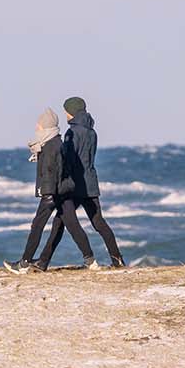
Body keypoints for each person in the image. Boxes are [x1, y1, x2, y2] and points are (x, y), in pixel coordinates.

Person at [3, 108, 98, 273]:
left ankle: (24, 264)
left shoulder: (50, 146)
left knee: (37, 226)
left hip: (52, 193)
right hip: (63, 191)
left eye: (39, 124)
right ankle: (91, 261)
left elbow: (50, 172)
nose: (36, 126)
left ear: (45, 126)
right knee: (73, 226)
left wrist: (46, 194)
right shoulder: (54, 142)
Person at [37, 96, 126, 269]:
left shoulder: (72, 132)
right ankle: (117, 260)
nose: (66, 116)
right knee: (99, 223)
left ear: (71, 112)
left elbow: (70, 160)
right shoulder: (92, 131)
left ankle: (44, 262)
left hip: (76, 185)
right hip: (91, 183)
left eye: (66, 112)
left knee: (59, 222)